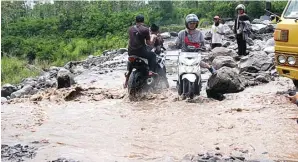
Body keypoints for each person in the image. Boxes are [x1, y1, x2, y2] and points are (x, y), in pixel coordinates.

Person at [124, 15, 157, 88]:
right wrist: (152, 39)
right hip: (141, 52)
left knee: (130, 61)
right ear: (143, 21)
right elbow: (148, 43)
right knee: (152, 55)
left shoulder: (130, 29)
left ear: (136, 21)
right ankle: (151, 72)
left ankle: (126, 79)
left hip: (131, 51)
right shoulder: (145, 29)